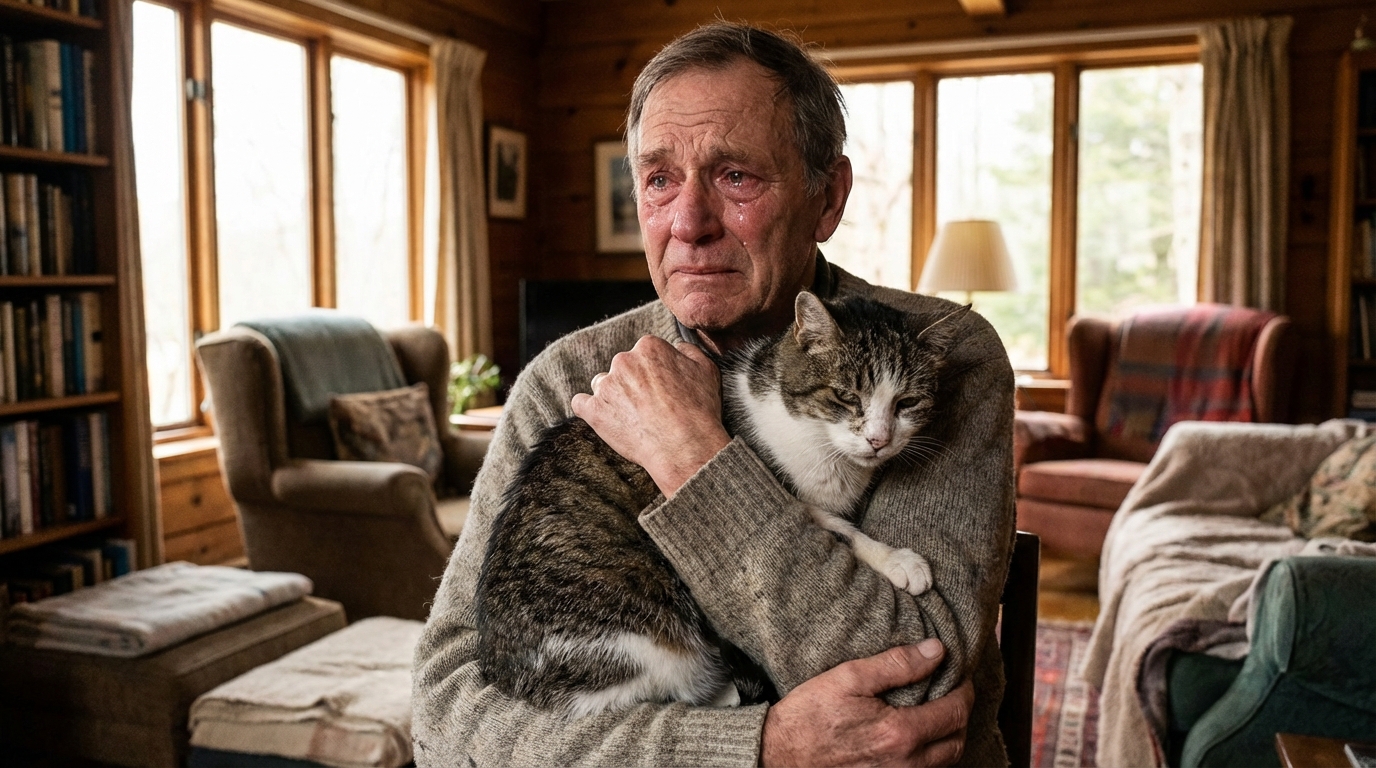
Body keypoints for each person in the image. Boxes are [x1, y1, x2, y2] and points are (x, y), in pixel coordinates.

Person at [413, 21, 1016, 767]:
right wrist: (754, 750)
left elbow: (912, 697)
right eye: (659, 179)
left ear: (827, 199)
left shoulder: (945, 358)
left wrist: (697, 458)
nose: (688, 224)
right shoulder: (568, 379)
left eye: (736, 177)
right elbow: (443, 716)